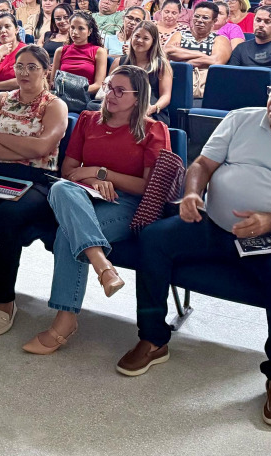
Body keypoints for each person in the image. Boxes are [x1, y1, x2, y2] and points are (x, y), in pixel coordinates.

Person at [118, 66, 271, 428]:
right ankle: (153, 339)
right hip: (213, 223)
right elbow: (203, 164)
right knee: (154, 240)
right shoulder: (242, 119)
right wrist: (193, 193)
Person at [23, 66, 170, 354]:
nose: (110, 95)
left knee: (68, 234)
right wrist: (92, 180)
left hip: (126, 204)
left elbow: (147, 186)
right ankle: (102, 265)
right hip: (81, 196)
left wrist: (101, 173)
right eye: (109, 87)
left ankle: (65, 320)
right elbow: (68, 171)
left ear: (138, 96)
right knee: (60, 188)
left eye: (120, 91)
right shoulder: (89, 120)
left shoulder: (154, 130)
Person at [0, 45, 69, 335]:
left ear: (46, 71)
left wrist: (0, 137)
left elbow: (43, 147)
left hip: (38, 180)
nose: (24, 72)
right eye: (19, 66)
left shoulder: (54, 105)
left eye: (32, 67)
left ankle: (4, 300)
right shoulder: (0, 99)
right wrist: (23, 149)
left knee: (7, 216)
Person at [164, 2, 231, 95]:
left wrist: (181, 61)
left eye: (205, 18)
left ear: (214, 21)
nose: (199, 20)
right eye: (197, 16)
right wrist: (202, 55)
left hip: (206, 85)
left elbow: (216, 61)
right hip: (176, 81)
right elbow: (167, 51)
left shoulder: (220, 39)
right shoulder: (179, 34)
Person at [118, 21, 173, 124]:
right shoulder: (119, 61)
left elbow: (165, 96)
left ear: (153, 41)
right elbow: (109, 88)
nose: (140, 40)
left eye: (145, 38)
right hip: (122, 106)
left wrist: (153, 108)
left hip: (152, 110)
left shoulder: (162, 65)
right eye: (137, 36)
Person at [52, 12, 108, 97]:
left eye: (81, 28)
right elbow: (53, 81)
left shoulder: (99, 52)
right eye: (72, 27)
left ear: (89, 31)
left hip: (86, 97)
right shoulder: (60, 51)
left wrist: (74, 91)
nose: (75, 32)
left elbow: (98, 85)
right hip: (61, 96)